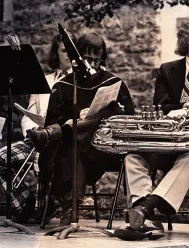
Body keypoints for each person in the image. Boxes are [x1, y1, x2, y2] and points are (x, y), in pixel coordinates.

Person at [123, 12, 189, 231]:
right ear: (187, 39)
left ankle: (145, 209)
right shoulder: (166, 69)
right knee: (133, 156)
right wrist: (188, 107)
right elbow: (161, 105)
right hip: (165, 142)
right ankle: (145, 217)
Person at [27, 32, 135, 226]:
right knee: (72, 146)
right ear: (77, 58)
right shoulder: (64, 85)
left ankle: (69, 211)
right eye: (88, 59)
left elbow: (127, 119)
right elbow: (54, 117)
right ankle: (70, 209)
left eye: (97, 60)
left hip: (103, 149)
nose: (93, 65)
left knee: (107, 113)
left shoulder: (113, 83)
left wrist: (94, 117)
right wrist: (75, 119)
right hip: (71, 150)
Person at [0, 33, 74, 223]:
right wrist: (33, 134)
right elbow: (28, 115)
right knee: (0, 158)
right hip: (35, 139)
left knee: (41, 215)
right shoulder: (43, 80)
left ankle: (43, 208)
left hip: (60, 144)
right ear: (56, 54)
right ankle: (25, 201)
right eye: (64, 50)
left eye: (71, 50)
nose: (69, 54)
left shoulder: (80, 82)